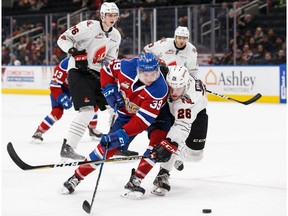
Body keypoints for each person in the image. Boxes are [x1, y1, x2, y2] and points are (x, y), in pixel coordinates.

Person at [61, 52, 168, 194]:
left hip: (158, 115)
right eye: (146, 75)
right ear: (138, 69)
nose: (150, 79)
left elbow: (141, 122)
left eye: (153, 74)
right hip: (127, 113)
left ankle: (136, 179)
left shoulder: (159, 89)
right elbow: (107, 69)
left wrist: (122, 134)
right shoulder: (126, 66)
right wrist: (108, 88)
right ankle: (76, 177)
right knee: (107, 146)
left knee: (156, 145)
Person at [122, 65, 208, 198]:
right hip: (170, 111)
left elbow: (181, 128)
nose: (173, 92)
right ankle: (163, 173)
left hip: (196, 113)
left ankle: (176, 155)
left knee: (195, 155)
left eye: (178, 88)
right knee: (168, 141)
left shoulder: (188, 100)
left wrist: (168, 145)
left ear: (185, 86)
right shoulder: (172, 79)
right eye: (171, 86)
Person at [56, 2, 122, 160]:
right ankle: (68, 147)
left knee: (115, 107)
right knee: (87, 110)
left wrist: (111, 77)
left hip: (97, 75)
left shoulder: (115, 36)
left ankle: (115, 144)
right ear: (102, 15)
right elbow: (63, 38)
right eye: (109, 15)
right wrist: (74, 52)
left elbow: (109, 61)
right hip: (78, 72)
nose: (112, 18)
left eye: (115, 15)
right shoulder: (88, 26)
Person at [31, 57, 103, 143]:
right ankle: (39, 131)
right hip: (62, 89)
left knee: (92, 106)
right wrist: (61, 97)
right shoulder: (64, 65)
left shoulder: (90, 63)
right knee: (57, 112)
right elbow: (54, 85)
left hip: (78, 89)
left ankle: (92, 129)